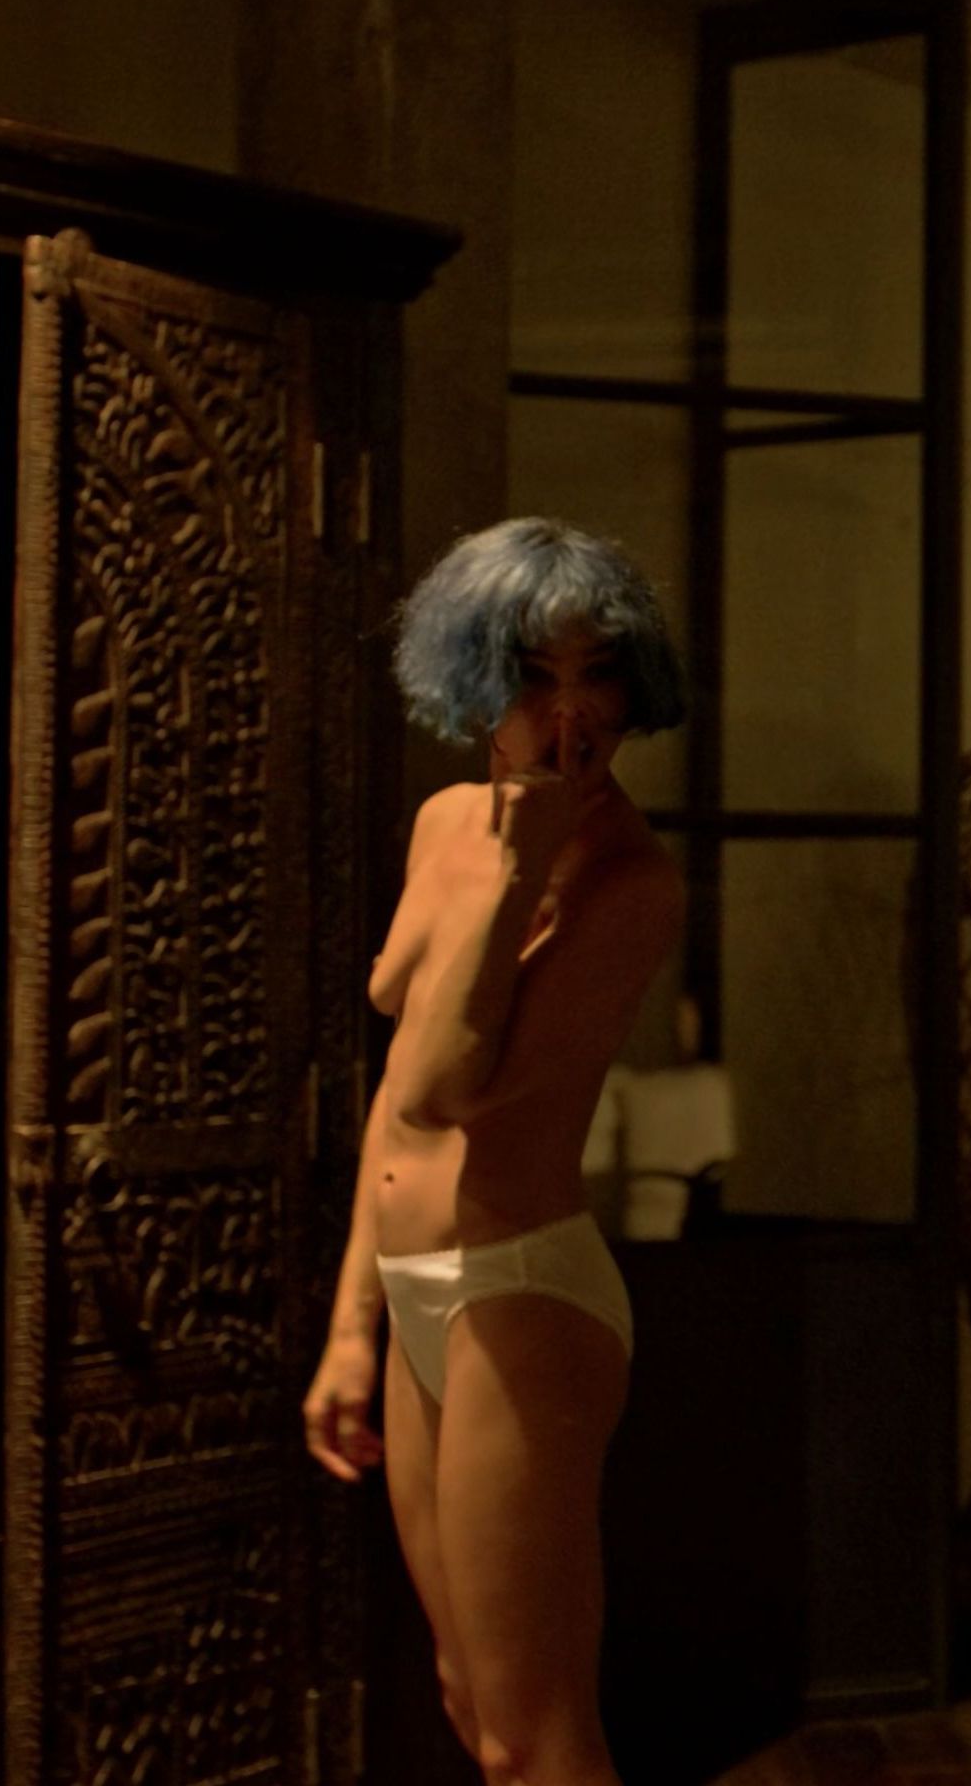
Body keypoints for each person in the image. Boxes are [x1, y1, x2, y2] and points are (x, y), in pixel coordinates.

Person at [303, 516, 686, 1786]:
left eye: (599, 674)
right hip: (415, 1288)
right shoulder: (442, 822)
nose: (571, 714)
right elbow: (392, 1105)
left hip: (519, 1290)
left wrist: (525, 870)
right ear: (472, 681)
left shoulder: (626, 880)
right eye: (532, 676)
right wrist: (352, 1326)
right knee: (470, 1705)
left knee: (538, 1734)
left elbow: (444, 1084)